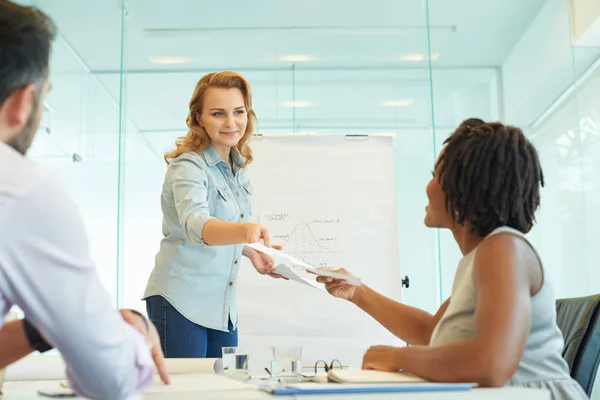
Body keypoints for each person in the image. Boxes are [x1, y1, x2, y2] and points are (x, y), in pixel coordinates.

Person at [318, 119, 588, 399]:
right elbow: (429, 332)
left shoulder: (503, 248)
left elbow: (490, 363)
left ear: (465, 188)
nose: (428, 187)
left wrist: (396, 358)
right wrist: (355, 291)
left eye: (436, 175)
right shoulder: (485, 256)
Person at [0, 1, 169, 398]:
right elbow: (112, 380)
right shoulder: (20, 188)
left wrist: (44, 326)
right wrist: (127, 331)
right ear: (25, 101)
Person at [143, 71, 284, 358]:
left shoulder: (237, 166)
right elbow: (197, 224)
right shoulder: (188, 165)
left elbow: (225, 230)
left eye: (239, 112)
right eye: (218, 113)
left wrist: (250, 251)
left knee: (225, 387)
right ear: (198, 118)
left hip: (221, 306)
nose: (231, 123)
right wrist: (245, 229)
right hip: (181, 300)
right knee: (189, 392)